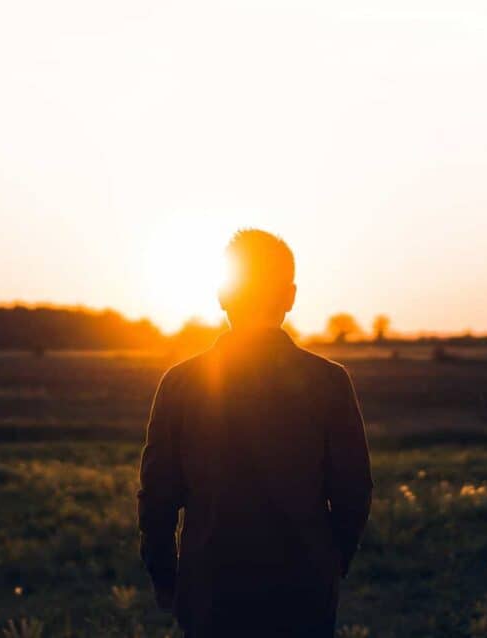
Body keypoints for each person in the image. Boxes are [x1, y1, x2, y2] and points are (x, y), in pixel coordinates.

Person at [138, 229, 373, 638]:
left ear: (223, 296)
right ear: (290, 296)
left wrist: (167, 580)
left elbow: (157, 499)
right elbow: (354, 491)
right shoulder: (330, 383)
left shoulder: (179, 384)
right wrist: (332, 565)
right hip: (304, 594)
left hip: (211, 594)